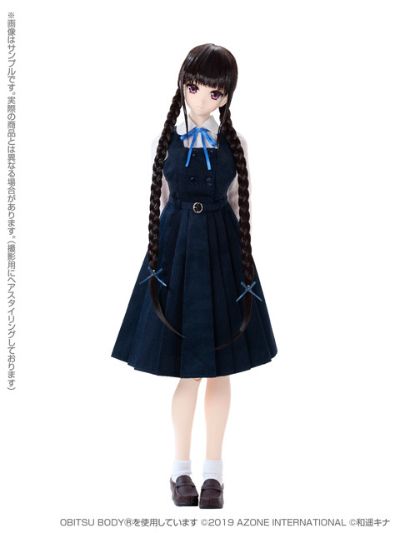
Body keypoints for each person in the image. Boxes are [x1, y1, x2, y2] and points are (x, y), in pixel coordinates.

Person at [111, 43, 278, 509]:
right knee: (188, 373)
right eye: (194, 86)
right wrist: (165, 257)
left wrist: (240, 265)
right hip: (177, 256)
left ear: (227, 96)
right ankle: (179, 469)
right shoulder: (163, 143)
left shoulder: (235, 146)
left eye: (215, 92)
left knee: (220, 369)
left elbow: (239, 205)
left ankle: (214, 474)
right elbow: (162, 202)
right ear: (182, 85)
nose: (203, 97)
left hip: (224, 258)